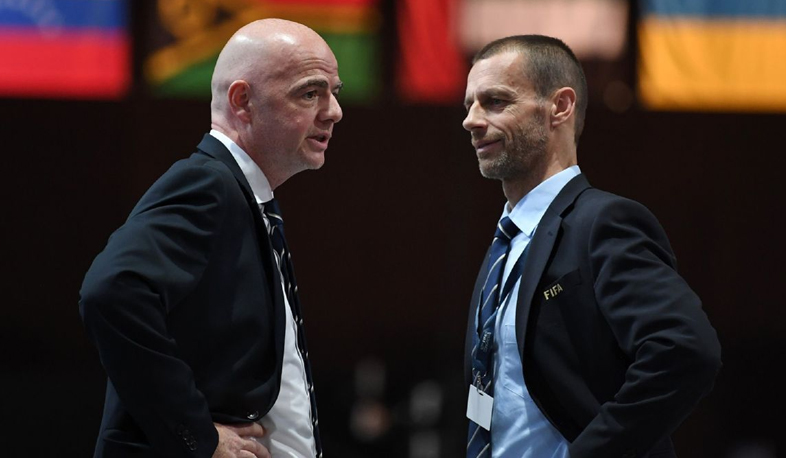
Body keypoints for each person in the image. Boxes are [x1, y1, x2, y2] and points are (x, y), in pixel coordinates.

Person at [79, 18, 343, 458]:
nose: (334, 111)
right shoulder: (208, 183)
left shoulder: (245, 196)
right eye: (310, 93)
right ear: (243, 101)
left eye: (334, 92)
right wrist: (196, 435)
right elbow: (110, 292)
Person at [462, 35, 721, 458]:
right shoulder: (504, 245)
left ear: (560, 106)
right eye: (469, 105)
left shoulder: (603, 222)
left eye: (495, 102)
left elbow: (685, 351)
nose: (471, 120)